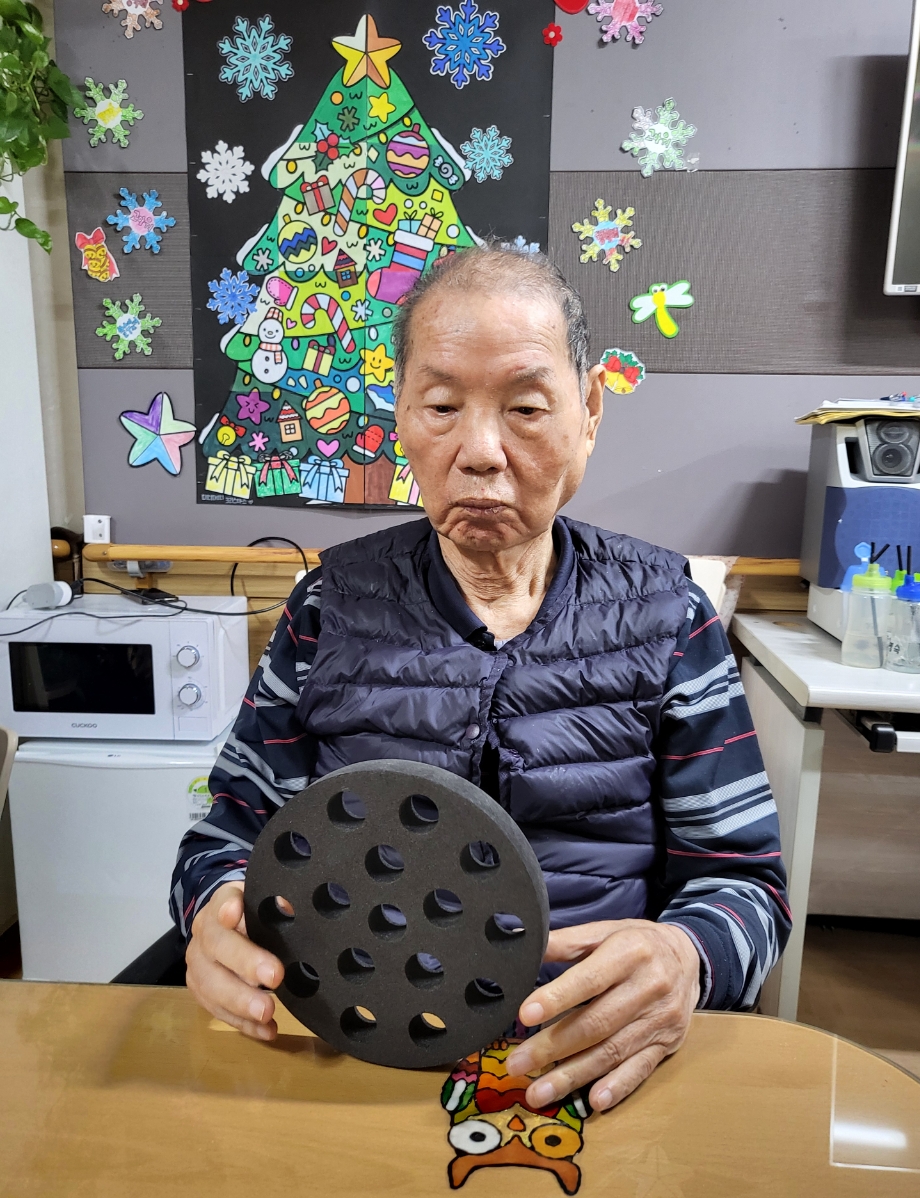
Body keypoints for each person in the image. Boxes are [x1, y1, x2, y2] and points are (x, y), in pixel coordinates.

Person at [171, 245, 790, 1113]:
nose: (481, 452)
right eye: (441, 406)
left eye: (527, 408)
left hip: (588, 1061)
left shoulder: (667, 613)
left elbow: (747, 886)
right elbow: (223, 839)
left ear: (589, 412)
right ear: (401, 413)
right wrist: (214, 912)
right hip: (354, 1051)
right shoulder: (327, 608)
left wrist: (688, 957)